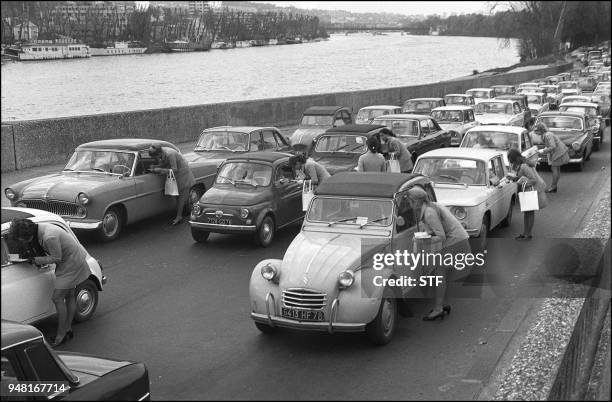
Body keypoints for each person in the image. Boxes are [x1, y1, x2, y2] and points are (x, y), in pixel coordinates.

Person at [8, 219, 91, 347]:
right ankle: (68, 329)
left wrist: (36, 260)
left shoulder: (49, 237)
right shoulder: (40, 228)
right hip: (73, 259)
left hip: (71, 263)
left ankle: (61, 335)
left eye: (22, 239)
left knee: (57, 298)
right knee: (69, 295)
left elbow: (57, 258)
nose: (22, 242)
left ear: (27, 235)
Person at [406, 186, 470, 321]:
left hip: (455, 241)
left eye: (410, 201)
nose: (409, 204)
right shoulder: (431, 206)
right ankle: (443, 305)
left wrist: (422, 241)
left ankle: (438, 309)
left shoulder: (429, 213)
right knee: (443, 274)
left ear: (416, 201)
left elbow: (441, 236)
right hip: (459, 239)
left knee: (439, 274)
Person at [149, 144, 196, 225]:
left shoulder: (170, 154)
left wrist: (160, 169)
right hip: (175, 176)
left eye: (156, 157)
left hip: (183, 175)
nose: (156, 159)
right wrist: (155, 166)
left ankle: (179, 216)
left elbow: (174, 169)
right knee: (177, 196)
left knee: (181, 197)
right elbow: (164, 163)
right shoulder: (162, 151)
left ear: (159, 153)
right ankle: (180, 213)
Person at [507, 148, 548, 240]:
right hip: (528, 190)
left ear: (513, 157)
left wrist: (519, 181)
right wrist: (514, 178)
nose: (508, 159)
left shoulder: (524, 166)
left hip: (531, 190)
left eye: (508, 157)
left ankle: (528, 234)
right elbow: (523, 177)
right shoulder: (522, 164)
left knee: (529, 213)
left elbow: (533, 180)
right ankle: (525, 233)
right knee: (527, 213)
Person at [531, 122, 569, 193]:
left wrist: (543, 151)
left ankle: (553, 187)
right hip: (558, 152)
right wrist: (545, 149)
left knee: (555, 170)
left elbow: (553, 146)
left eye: (537, 131)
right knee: (557, 170)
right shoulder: (546, 134)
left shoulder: (548, 135)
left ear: (541, 130)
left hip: (557, 153)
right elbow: (550, 145)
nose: (535, 133)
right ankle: (554, 186)